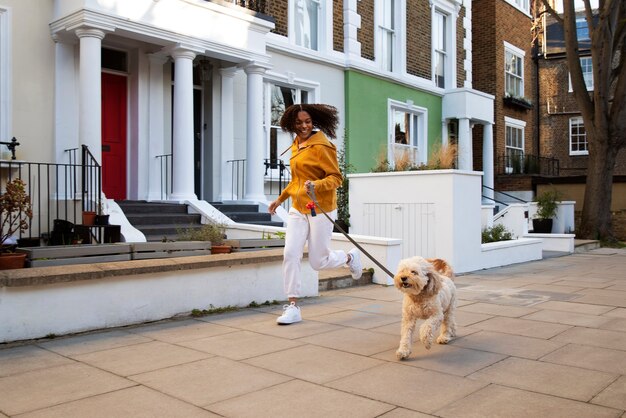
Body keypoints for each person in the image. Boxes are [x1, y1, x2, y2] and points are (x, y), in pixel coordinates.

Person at [268, 104, 363, 325]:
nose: (303, 126)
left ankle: (349, 257)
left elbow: (336, 178)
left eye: (308, 121)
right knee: (290, 254)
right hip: (298, 208)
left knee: (318, 262)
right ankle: (293, 306)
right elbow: (295, 180)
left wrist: (317, 185)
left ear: (314, 122)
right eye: (299, 122)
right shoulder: (295, 145)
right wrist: (279, 200)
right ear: (292, 124)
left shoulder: (323, 146)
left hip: (320, 207)